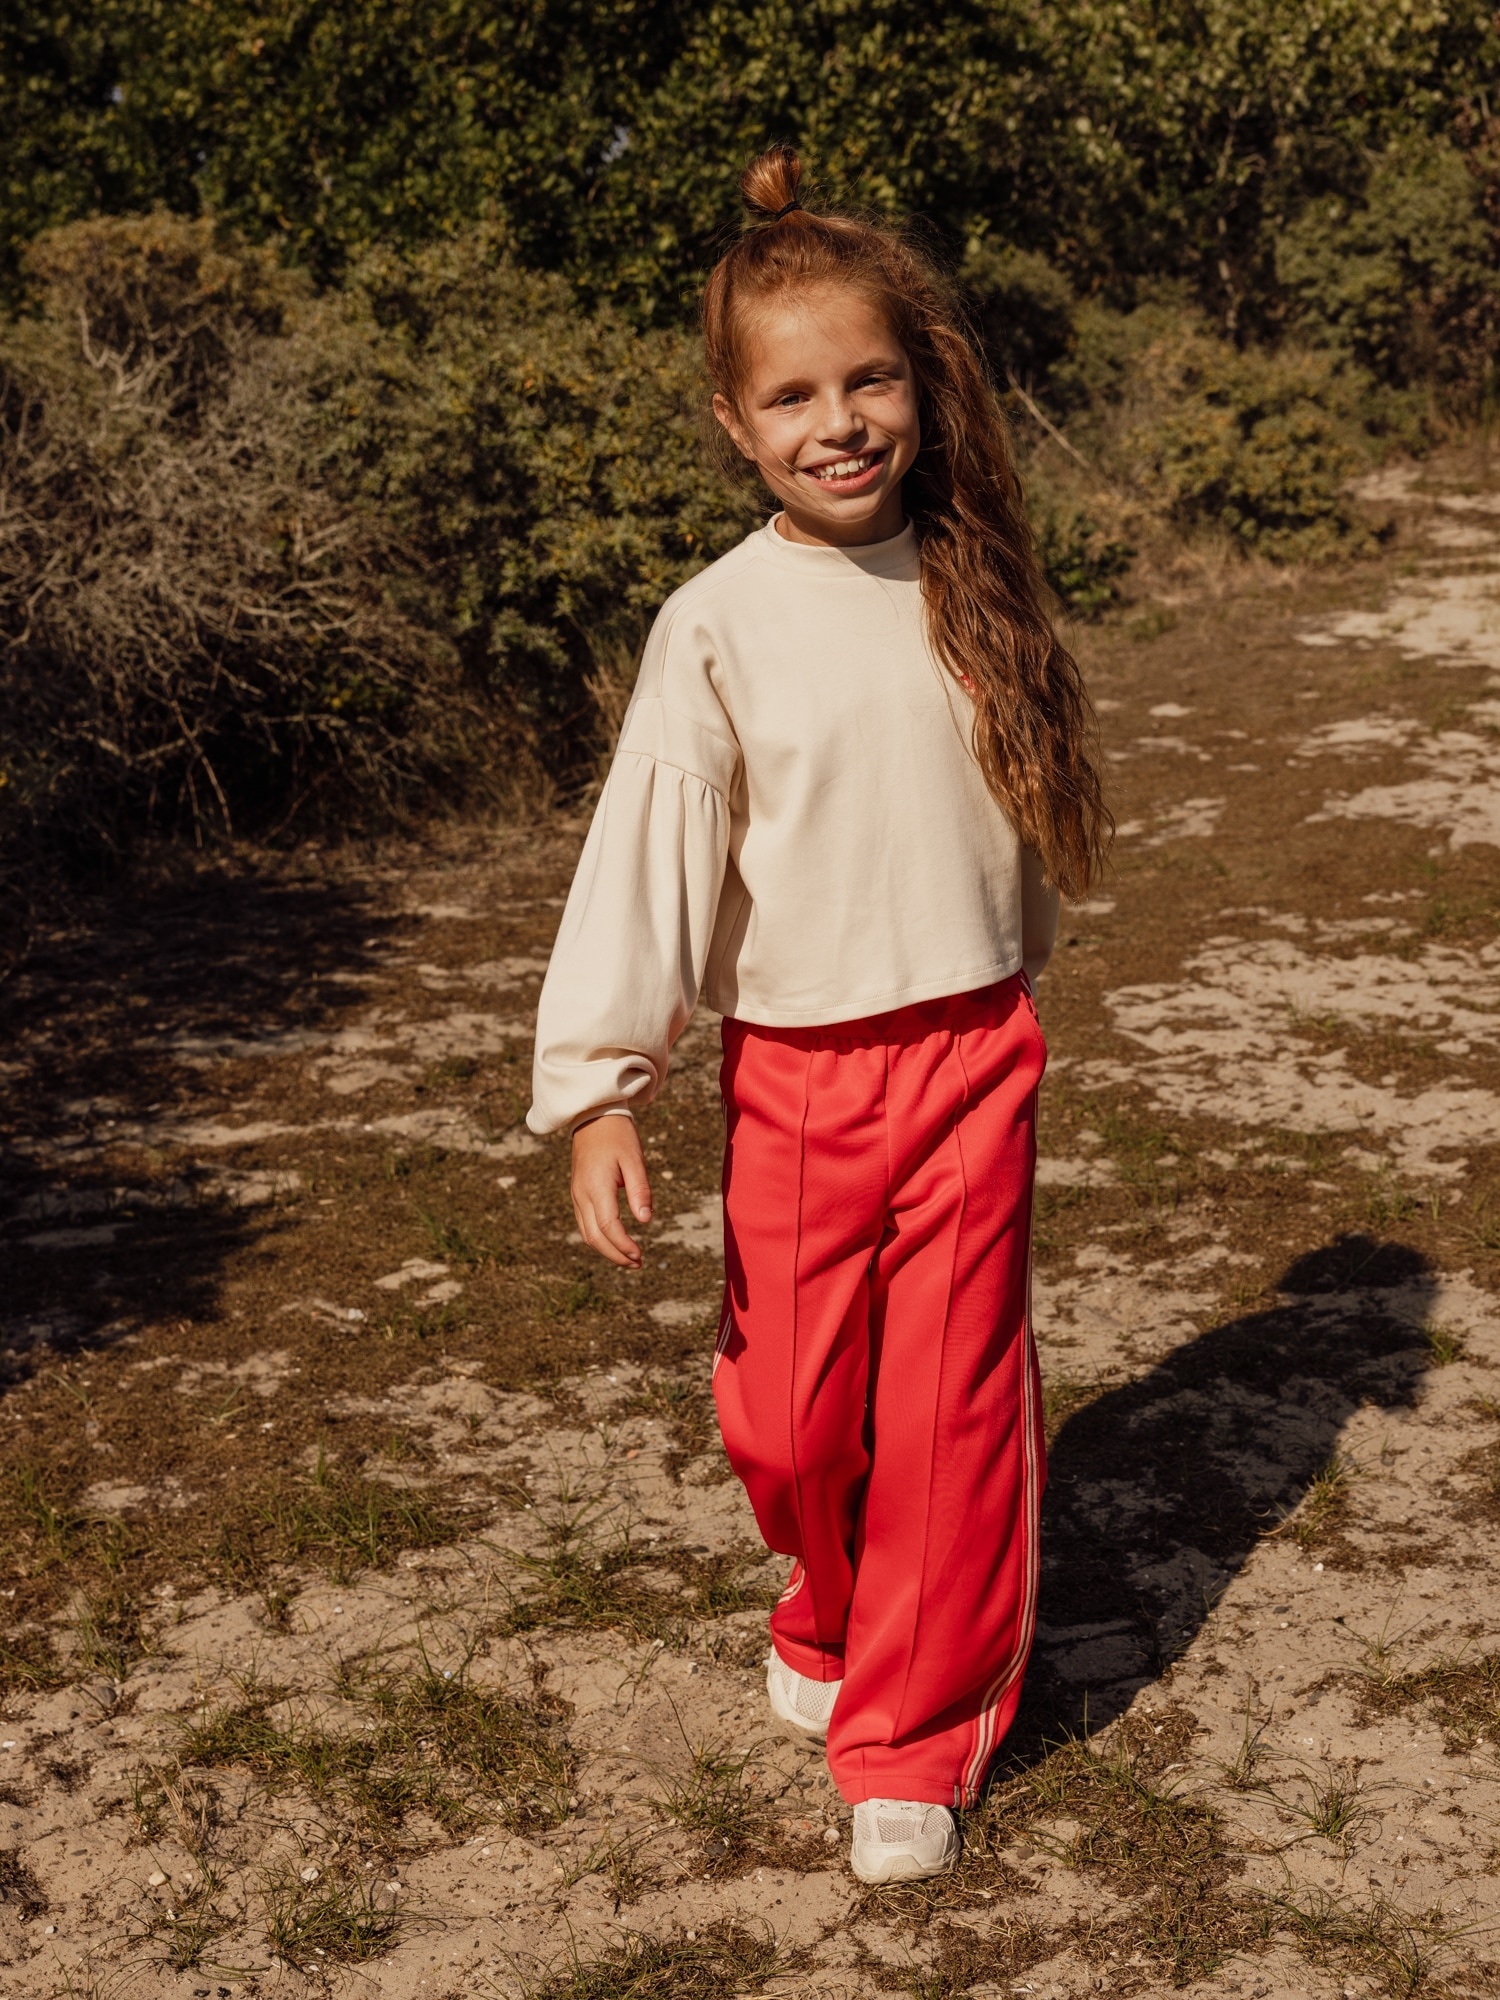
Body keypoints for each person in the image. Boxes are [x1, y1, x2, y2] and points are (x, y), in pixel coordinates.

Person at [527, 145, 1110, 1883]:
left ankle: (913, 1736)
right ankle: (832, 1603)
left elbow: (1015, 815)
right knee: (789, 1418)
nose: (841, 422)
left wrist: (1011, 967)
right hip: (795, 1074)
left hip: (973, 1050)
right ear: (735, 419)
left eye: (871, 380)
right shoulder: (713, 625)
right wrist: (604, 1087)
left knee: (944, 1409)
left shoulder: (978, 577)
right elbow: (649, 852)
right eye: (794, 395)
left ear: (921, 385)